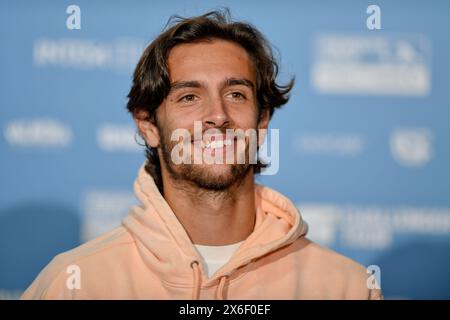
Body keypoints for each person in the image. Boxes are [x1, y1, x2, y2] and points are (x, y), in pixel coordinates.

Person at [21, 10, 382, 300]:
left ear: (261, 121)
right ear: (147, 124)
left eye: (236, 94)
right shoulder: (75, 284)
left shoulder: (343, 288)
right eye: (189, 97)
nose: (218, 115)